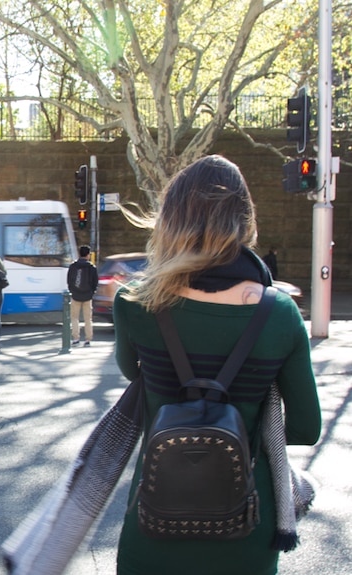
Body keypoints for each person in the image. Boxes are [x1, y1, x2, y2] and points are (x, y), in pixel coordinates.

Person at [113, 155, 321, 575]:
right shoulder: (279, 312)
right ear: (243, 220)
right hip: (247, 526)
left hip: (154, 516)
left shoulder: (134, 303)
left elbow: (135, 374)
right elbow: (305, 428)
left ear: (170, 219)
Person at [67, 244, 99, 346]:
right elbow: (95, 282)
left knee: (74, 317)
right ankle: (88, 339)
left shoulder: (73, 266)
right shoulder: (91, 267)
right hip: (87, 296)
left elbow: (69, 280)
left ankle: (76, 338)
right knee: (88, 319)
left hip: (75, 295)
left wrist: (72, 290)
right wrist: (91, 292)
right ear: (88, 255)